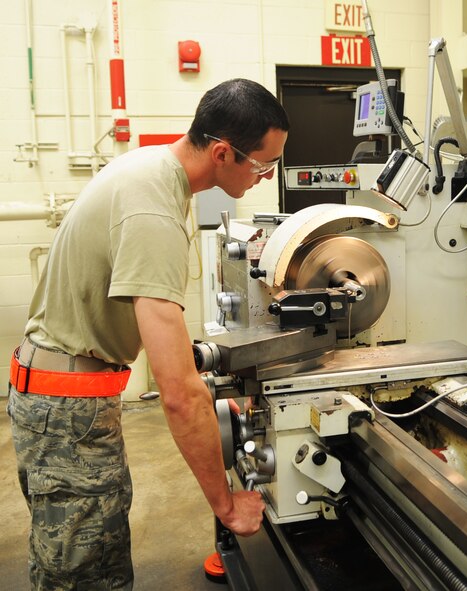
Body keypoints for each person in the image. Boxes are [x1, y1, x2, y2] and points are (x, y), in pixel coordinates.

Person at [7, 78, 289, 590]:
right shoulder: (153, 207)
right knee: (85, 576)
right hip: (69, 411)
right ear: (223, 152)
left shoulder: (151, 171)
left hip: (65, 398)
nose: (265, 177)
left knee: (92, 559)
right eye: (262, 165)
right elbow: (179, 395)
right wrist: (227, 506)